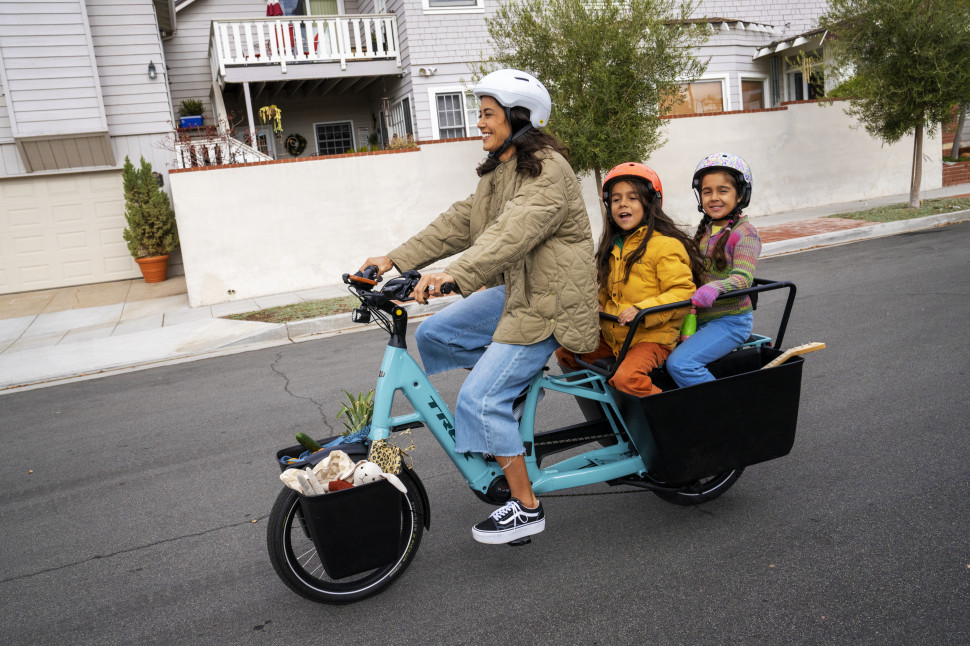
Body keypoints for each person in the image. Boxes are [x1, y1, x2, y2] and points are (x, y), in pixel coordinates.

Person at [357, 69, 599, 544]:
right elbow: (461, 222)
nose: (480, 123)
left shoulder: (548, 169)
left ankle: (527, 507)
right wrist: (393, 259)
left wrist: (454, 275)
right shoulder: (499, 172)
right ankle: (514, 391)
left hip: (549, 301)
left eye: (488, 114)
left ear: (519, 117)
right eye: (481, 114)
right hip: (518, 290)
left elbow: (516, 231)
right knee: (434, 334)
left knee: (479, 399)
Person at [555, 162, 702, 396]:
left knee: (627, 378)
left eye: (632, 197)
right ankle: (612, 413)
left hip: (652, 338)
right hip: (618, 336)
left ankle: (669, 417)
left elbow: (683, 292)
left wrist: (640, 309)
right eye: (616, 199)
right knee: (567, 354)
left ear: (650, 204)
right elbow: (608, 289)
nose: (623, 203)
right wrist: (596, 302)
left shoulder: (665, 246)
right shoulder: (615, 248)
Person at [665, 152, 762, 388]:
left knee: (681, 364)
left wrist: (716, 286)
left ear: (741, 194)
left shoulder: (744, 233)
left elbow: (743, 278)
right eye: (707, 191)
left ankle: (721, 411)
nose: (714, 198)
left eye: (723, 190)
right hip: (700, 318)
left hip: (731, 321)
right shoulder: (706, 231)